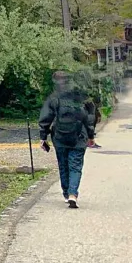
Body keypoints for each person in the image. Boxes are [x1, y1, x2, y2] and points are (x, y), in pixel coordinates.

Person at [39, 70, 95, 209]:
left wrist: (43, 137)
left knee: (63, 166)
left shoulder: (54, 97)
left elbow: (46, 117)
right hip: (78, 137)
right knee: (75, 166)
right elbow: (90, 117)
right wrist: (91, 135)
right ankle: (72, 194)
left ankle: (66, 194)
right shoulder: (82, 96)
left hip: (60, 137)